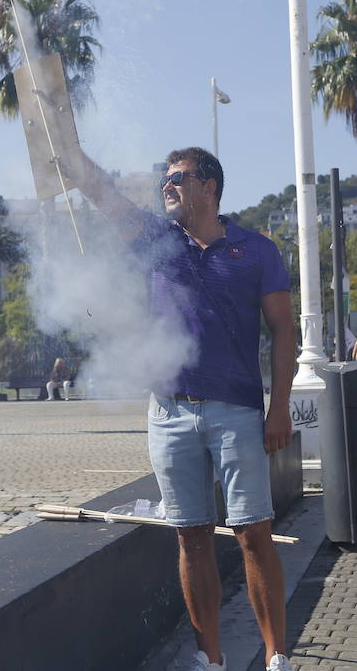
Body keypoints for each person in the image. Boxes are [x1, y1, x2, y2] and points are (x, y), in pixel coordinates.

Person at [73, 144, 297, 671]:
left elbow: (284, 329)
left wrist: (280, 407)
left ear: (209, 187)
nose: (167, 186)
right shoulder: (156, 239)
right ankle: (210, 659)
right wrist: (65, 145)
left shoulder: (257, 250)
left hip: (236, 410)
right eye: (165, 179)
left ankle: (276, 657)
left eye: (178, 177)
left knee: (254, 534)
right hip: (169, 413)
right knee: (191, 537)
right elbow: (102, 192)